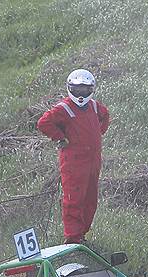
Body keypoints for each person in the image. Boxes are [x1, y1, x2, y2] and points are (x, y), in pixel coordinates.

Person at [37, 69, 110, 244]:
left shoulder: (94, 106)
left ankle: (82, 235)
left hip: (93, 161)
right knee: (73, 199)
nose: (81, 93)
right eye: (77, 90)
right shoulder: (64, 108)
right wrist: (60, 137)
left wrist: (99, 133)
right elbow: (43, 123)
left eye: (85, 90)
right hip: (73, 162)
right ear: (70, 88)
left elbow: (105, 115)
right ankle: (72, 238)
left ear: (91, 89)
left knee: (90, 199)